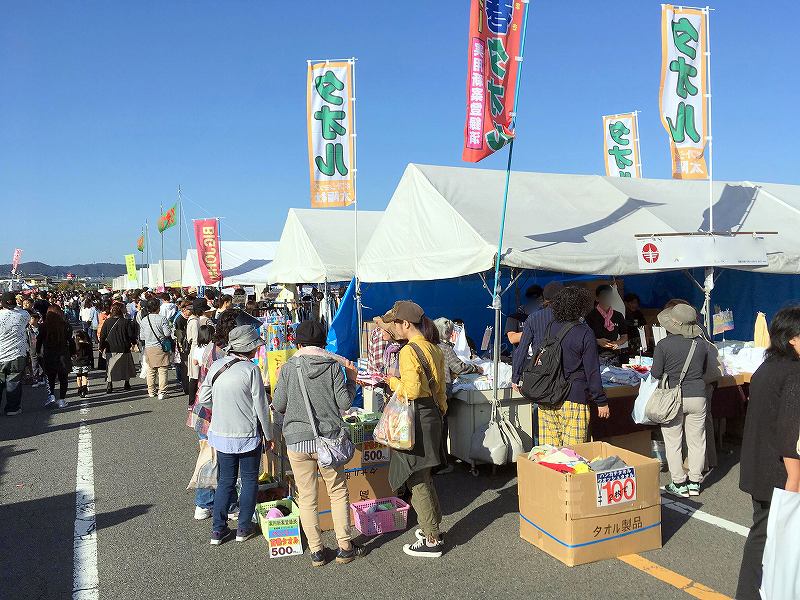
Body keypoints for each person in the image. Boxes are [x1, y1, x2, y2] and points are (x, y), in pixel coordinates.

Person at [272, 320, 364, 566]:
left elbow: (279, 405)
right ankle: (345, 545)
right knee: (337, 492)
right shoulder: (333, 367)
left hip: (297, 442)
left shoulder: (289, 368)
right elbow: (345, 405)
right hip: (329, 440)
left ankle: (317, 551)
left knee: (307, 496)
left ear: (298, 343)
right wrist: (352, 380)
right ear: (323, 343)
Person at [736, 307, 800, 600]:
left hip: (762, 470)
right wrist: (795, 482)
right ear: (793, 339)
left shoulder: (767, 367)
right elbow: (791, 433)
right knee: (771, 539)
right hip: (782, 476)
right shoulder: (793, 374)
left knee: (763, 536)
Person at [381, 300, 448, 558]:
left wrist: (393, 380)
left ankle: (432, 539)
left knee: (416, 476)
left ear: (405, 324)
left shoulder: (408, 351)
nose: (393, 329)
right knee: (425, 473)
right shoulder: (435, 349)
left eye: (395, 324)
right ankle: (433, 527)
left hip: (415, 417)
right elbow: (441, 392)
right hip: (431, 415)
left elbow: (409, 390)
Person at [196, 325, 273, 546]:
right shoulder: (251, 370)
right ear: (250, 349)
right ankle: (243, 528)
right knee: (249, 481)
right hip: (247, 434)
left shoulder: (217, 366)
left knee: (225, 482)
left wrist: (219, 407)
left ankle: (218, 531)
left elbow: (204, 398)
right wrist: (268, 435)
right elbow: (261, 407)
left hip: (221, 433)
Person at [530, 287, 610, 446]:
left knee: (550, 455)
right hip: (574, 397)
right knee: (574, 454)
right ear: (580, 306)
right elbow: (592, 371)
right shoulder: (585, 332)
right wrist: (601, 401)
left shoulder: (551, 327)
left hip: (547, 396)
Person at [651, 304, 715, 498]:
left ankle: (679, 483)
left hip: (673, 397)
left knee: (673, 441)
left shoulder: (664, 345)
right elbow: (703, 371)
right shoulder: (702, 344)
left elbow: (655, 373)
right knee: (697, 440)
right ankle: (695, 481)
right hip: (697, 395)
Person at [511, 281, 564, 386]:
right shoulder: (572, 318)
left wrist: (515, 377)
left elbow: (522, 349)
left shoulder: (533, 318)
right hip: (565, 373)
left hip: (540, 372)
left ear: (544, 298)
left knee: (541, 401)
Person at [37, 306, 75, 408]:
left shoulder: (43, 326)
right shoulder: (66, 326)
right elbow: (70, 341)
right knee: (63, 378)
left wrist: (37, 352)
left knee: (50, 377)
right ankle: (62, 400)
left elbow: (39, 341)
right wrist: (73, 353)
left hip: (49, 355)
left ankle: (51, 396)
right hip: (63, 355)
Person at [0, 291, 31, 415]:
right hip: (17, 354)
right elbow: (25, 314)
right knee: (14, 382)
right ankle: (12, 408)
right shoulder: (23, 315)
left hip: (0, 354)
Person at [434, 318, 482, 397]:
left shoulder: (429, 345)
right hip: (443, 388)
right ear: (446, 332)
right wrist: (476, 368)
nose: (452, 335)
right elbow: (458, 367)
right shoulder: (445, 348)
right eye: (451, 332)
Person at [139, 297, 173, 399]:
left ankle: (151, 391)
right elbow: (167, 333)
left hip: (149, 347)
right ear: (158, 307)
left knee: (151, 370)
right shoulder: (162, 319)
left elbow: (142, 337)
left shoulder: (144, 320)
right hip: (160, 347)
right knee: (162, 370)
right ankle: (162, 392)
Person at [585, 284, 628, 366]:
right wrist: (597, 341)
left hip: (614, 356)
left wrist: (617, 343)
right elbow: (584, 337)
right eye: (604, 296)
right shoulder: (590, 316)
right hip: (595, 356)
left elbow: (624, 336)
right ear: (597, 298)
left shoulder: (618, 315)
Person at [98, 302, 137, 393]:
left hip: (111, 348)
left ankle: (109, 384)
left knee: (110, 367)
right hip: (124, 347)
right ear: (121, 310)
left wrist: (101, 346)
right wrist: (134, 343)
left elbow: (103, 335)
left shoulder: (107, 321)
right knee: (125, 366)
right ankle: (126, 383)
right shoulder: (126, 322)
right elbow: (131, 335)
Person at [186, 298, 211, 397]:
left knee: (195, 376)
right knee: (195, 377)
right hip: (196, 349)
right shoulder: (195, 321)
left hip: (194, 349)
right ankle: (192, 401)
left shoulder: (192, 319)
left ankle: (193, 401)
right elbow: (196, 339)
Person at [189, 324, 214, 408]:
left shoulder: (198, 347)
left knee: (202, 390)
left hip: (202, 371)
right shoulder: (213, 347)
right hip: (211, 371)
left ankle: (200, 406)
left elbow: (195, 362)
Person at [26, 312, 46, 388]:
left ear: (37, 319)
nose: (30, 320)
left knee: (42, 364)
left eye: (32, 319)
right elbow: (26, 339)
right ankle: (35, 379)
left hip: (41, 348)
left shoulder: (42, 328)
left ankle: (41, 378)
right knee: (34, 365)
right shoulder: (28, 329)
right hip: (32, 349)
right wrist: (28, 348)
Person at [73, 330, 94, 398]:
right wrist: (91, 363)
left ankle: (79, 388)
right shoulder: (87, 345)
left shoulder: (74, 345)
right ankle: (84, 389)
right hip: (85, 363)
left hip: (76, 363)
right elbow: (91, 355)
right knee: (84, 376)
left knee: (78, 376)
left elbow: (71, 354)